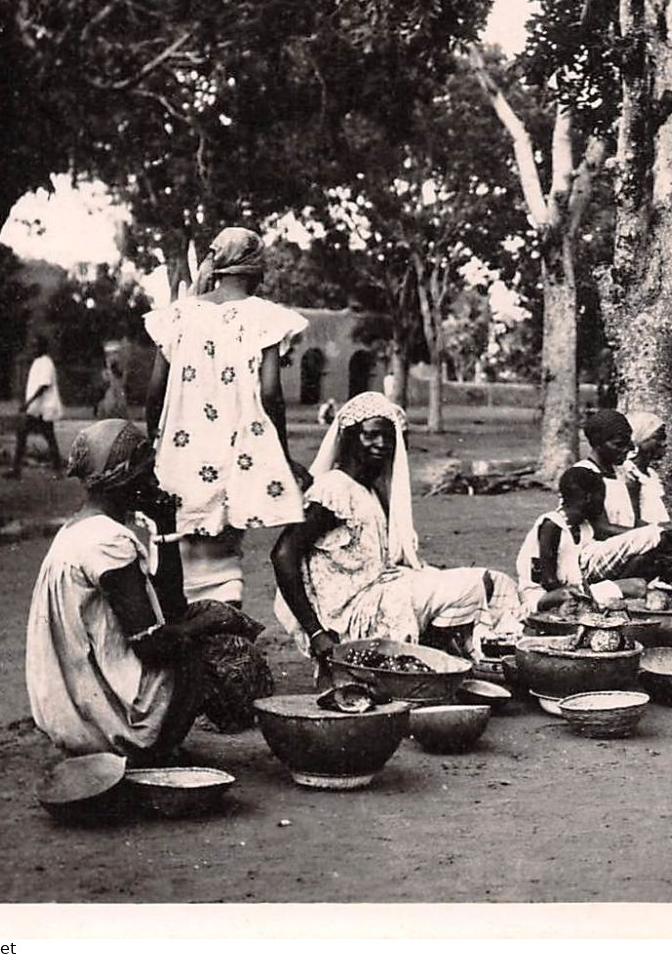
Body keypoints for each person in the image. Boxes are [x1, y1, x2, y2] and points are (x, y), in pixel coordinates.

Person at [25, 420, 272, 763]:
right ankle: (151, 750)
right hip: (108, 724)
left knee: (195, 623)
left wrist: (165, 525)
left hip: (74, 712)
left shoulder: (79, 529)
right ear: (122, 477)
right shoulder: (109, 543)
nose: (155, 482)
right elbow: (153, 645)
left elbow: (170, 606)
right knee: (216, 652)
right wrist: (214, 622)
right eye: (147, 472)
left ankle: (145, 742)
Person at [271, 392, 522, 669]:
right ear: (350, 437)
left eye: (389, 438)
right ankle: (425, 661)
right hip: (354, 611)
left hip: (383, 592)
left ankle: (439, 660)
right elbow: (283, 553)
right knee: (479, 584)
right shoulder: (334, 489)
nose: (382, 444)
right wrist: (316, 631)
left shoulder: (367, 490)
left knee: (490, 582)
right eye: (372, 435)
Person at [145, 227, 309, 609]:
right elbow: (271, 393)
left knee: (176, 548)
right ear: (257, 271)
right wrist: (281, 456)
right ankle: (223, 633)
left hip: (180, 450)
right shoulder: (265, 318)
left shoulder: (178, 315)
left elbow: (155, 392)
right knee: (225, 552)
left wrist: (156, 440)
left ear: (218, 267)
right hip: (235, 449)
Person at [515, 466, 672, 613]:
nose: (603, 504)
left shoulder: (584, 528)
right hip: (542, 597)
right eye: (602, 497)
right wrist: (583, 593)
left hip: (573, 591)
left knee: (637, 584)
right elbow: (548, 581)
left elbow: (588, 567)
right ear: (588, 498)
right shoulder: (552, 524)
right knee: (632, 587)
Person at [6, 334, 64, 479]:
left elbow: (44, 385)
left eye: (35, 346)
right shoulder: (38, 362)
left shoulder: (45, 362)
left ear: (42, 347)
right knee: (24, 434)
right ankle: (16, 469)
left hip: (44, 407)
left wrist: (28, 403)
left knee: (47, 437)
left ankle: (57, 470)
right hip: (36, 408)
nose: (32, 349)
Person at [574, 409, 641, 531]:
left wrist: (663, 528)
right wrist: (650, 535)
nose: (626, 450)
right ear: (598, 443)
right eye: (619, 445)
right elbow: (601, 529)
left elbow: (633, 522)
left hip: (624, 543)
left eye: (628, 444)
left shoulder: (623, 473)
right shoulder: (582, 474)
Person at [623, 410, 671, 525]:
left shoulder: (650, 474)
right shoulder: (629, 473)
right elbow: (633, 523)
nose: (664, 443)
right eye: (658, 438)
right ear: (639, 439)